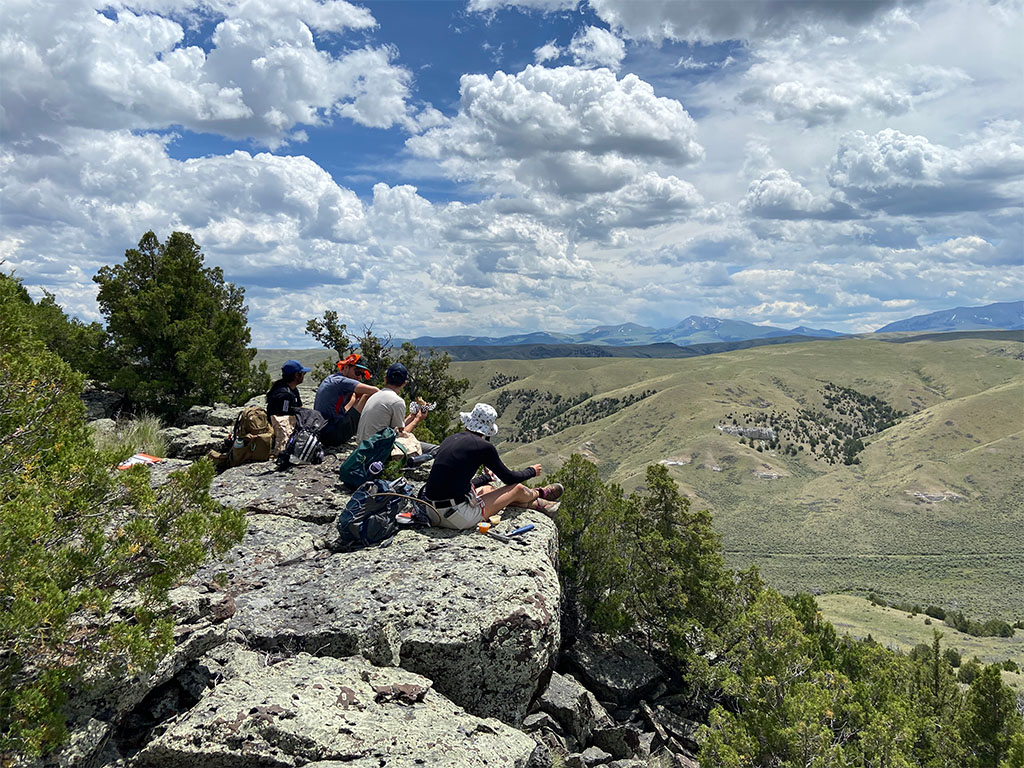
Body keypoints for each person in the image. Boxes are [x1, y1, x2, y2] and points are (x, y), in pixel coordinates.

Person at [419, 403, 562, 530]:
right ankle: (540, 494)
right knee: (516, 489)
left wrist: (486, 477)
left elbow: (452, 484)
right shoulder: (483, 447)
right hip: (455, 518)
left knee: (489, 489)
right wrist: (531, 471)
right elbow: (509, 478)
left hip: (432, 511)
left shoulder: (450, 439)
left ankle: (537, 504)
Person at [355, 362, 439, 465]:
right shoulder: (397, 401)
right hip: (377, 450)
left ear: (386, 379)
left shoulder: (375, 395)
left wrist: (412, 416)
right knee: (436, 449)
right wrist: (417, 419)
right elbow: (401, 434)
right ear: (404, 383)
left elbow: (397, 429)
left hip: (363, 444)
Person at [314, 353, 379, 446]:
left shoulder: (331, 378)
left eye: (362, 374)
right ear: (346, 367)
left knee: (354, 396)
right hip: (333, 435)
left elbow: (352, 398)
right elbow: (375, 390)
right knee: (366, 396)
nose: (359, 377)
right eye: (357, 372)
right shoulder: (342, 382)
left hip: (323, 432)